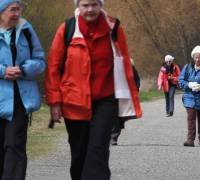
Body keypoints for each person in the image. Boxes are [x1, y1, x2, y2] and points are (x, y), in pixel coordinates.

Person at [45, 0, 142, 179]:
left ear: (100, 5)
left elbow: (125, 63)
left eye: (94, 4)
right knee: (79, 152)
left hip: (106, 99)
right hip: (74, 101)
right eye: (85, 5)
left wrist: (128, 97)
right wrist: (55, 102)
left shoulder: (114, 28)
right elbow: (53, 66)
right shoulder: (66, 29)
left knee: (98, 148)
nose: (90, 9)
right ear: (78, 6)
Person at [0, 0, 46, 179]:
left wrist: (25, 69)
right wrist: (3, 71)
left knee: (15, 146)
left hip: (20, 99)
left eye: (19, 9)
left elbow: (41, 61)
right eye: (13, 10)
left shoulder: (26, 29)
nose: (17, 14)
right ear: (1, 11)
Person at [111, 58, 140, 146]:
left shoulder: (131, 67)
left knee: (120, 117)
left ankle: (114, 136)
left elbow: (136, 80)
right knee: (114, 116)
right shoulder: (112, 65)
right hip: (112, 94)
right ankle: (113, 137)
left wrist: (135, 91)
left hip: (125, 95)